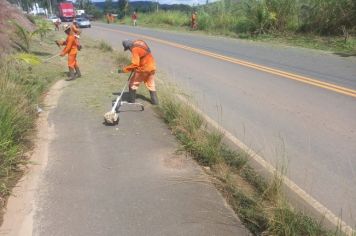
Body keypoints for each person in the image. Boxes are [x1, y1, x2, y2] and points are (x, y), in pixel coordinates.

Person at [118, 40, 158, 105]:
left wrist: (123, 70)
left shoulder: (134, 49)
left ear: (129, 47)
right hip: (152, 66)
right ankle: (155, 103)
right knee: (151, 85)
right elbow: (144, 55)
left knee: (132, 84)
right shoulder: (139, 42)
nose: (129, 50)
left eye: (128, 49)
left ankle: (131, 101)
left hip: (144, 69)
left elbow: (135, 64)